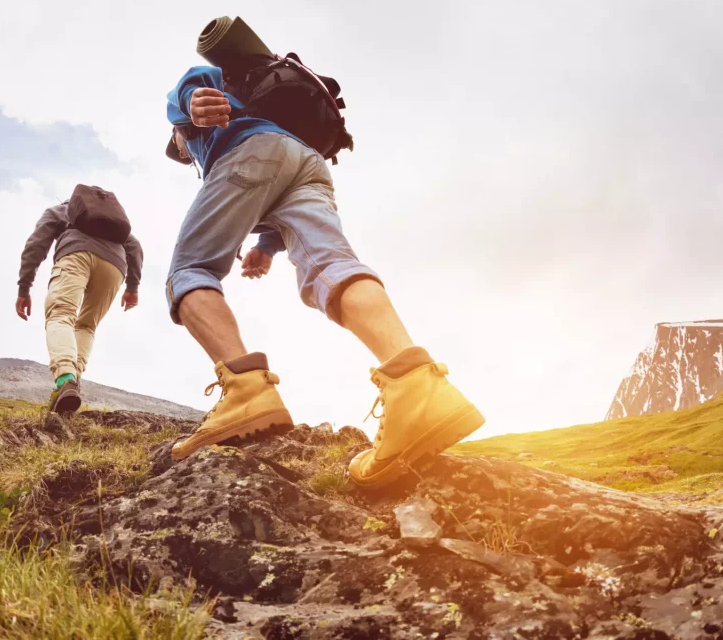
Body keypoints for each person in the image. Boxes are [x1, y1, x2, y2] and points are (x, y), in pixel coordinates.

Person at [164, 64, 484, 489]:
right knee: (332, 267)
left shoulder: (198, 130)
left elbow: (193, 80)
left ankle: (247, 392)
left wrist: (189, 104)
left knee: (191, 269)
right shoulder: (277, 127)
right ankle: (415, 386)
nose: (182, 152)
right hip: (308, 163)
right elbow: (274, 191)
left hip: (251, 151)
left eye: (178, 148)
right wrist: (267, 247)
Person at [16, 192, 142, 414]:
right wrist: (132, 287)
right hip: (114, 266)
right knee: (86, 326)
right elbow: (135, 247)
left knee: (60, 314)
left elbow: (36, 244)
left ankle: (66, 380)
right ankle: (73, 381)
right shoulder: (114, 223)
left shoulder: (60, 211)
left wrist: (24, 287)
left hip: (76, 255)